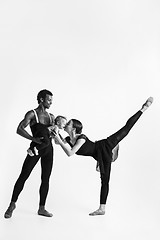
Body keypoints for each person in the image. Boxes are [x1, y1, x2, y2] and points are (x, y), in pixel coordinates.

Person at [54, 97, 153, 216]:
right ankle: (102, 209)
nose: (66, 124)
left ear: (73, 128)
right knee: (104, 181)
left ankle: (143, 108)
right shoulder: (68, 139)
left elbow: (70, 153)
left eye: (68, 123)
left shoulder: (81, 138)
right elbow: (57, 142)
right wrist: (55, 128)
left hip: (105, 146)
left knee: (126, 129)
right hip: (99, 155)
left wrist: (58, 138)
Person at [4, 89, 55, 218]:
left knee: (45, 178)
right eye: (49, 100)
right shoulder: (32, 114)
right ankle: (12, 204)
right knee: (24, 175)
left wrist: (54, 134)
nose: (51, 102)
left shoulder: (51, 117)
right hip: (35, 149)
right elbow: (19, 129)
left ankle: (42, 208)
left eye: (52, 100)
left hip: (48, 150)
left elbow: (52, 134)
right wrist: (33, 139)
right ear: (41, 99)